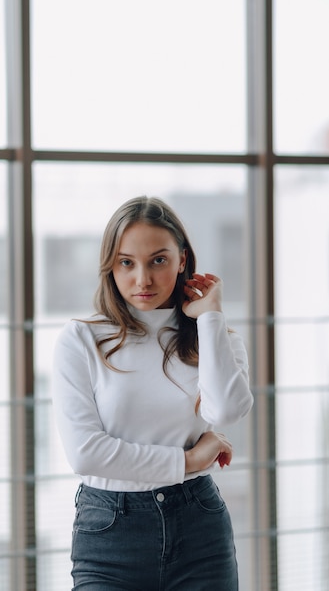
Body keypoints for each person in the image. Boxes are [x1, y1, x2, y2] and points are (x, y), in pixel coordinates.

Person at [52, 196, 253, 591]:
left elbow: (227, 411)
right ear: (111, 265)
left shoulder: (216, 339)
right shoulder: (81, 339)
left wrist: (210, 318)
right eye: (127, 262)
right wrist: (189, 459)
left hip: (199, 526)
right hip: (110, 533)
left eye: (158, 260)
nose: (142, 279)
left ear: (182, 260)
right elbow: (85, 453)